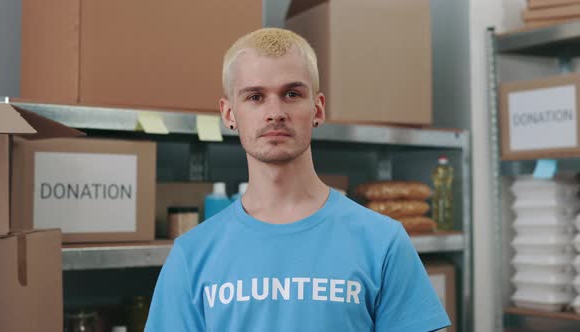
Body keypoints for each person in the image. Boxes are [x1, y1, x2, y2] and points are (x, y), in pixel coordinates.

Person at [145, 28, 450, 332]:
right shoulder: (192, 256)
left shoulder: (383, 242)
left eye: (291, 94)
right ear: (229, 113)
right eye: (255, 97)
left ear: (317, 108)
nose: (275, 112)